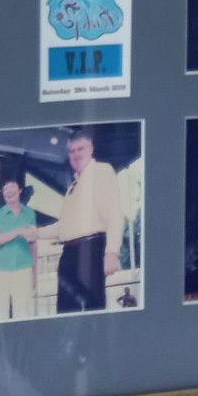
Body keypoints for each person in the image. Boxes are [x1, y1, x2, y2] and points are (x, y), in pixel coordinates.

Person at [36, 131, 125, 314]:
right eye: (71, 151)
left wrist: (112, 251)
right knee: (66, 311)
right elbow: (64, 227)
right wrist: (36, 233)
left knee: (91, 310)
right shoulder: (73, 186)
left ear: (91, 149)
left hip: (90, 251)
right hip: (68, 253)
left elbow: (114, 213)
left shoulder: (101, 171)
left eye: (80, 149)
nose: (76, 155)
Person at [0, 176, 39, 321]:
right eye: (5, 189)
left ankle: (19, 344)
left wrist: (34, 273)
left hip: (23, 269)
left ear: (20, 190)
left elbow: (33, 243)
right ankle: (1, 344)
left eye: (12, 187)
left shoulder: (30, 214)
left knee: (22, 315)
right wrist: (17, 231)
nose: (8, 191)